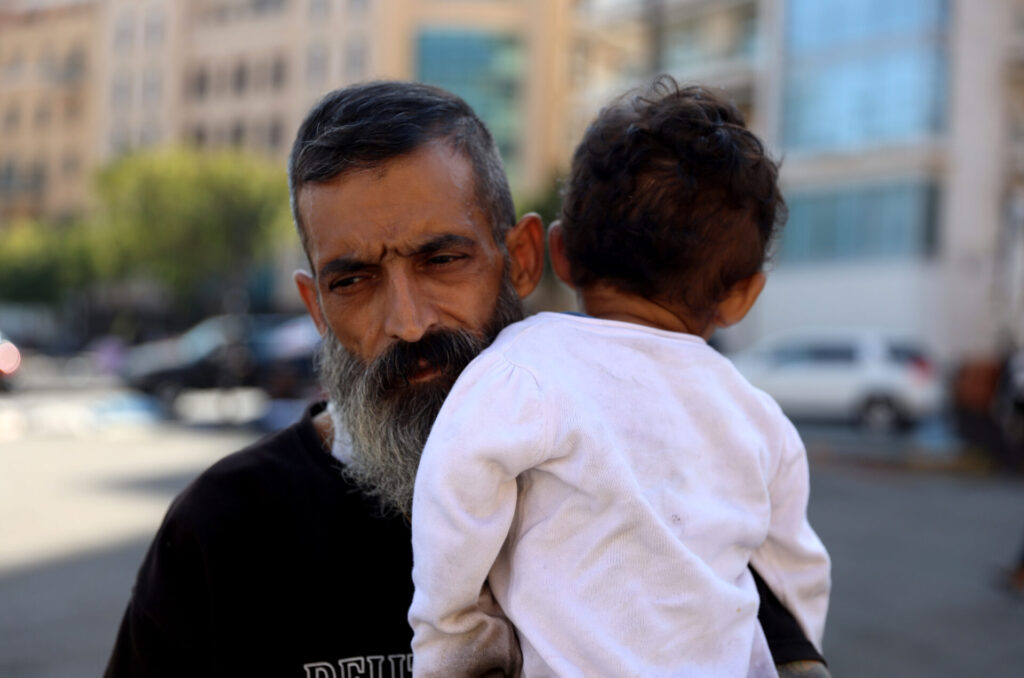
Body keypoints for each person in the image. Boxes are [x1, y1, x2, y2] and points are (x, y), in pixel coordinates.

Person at [105, 81, 831, 677]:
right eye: (354, 280)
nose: (410, 321)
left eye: (441, 260)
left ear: (521, 258)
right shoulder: (226, 529)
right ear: (316, 307)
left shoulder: (671, 509)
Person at [408, 78, 831, 677]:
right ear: (742, 296)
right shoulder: (760, 418)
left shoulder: (520, 371)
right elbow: (794, 583)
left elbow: (453, 520)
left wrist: (455, 651)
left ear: (561, 252)